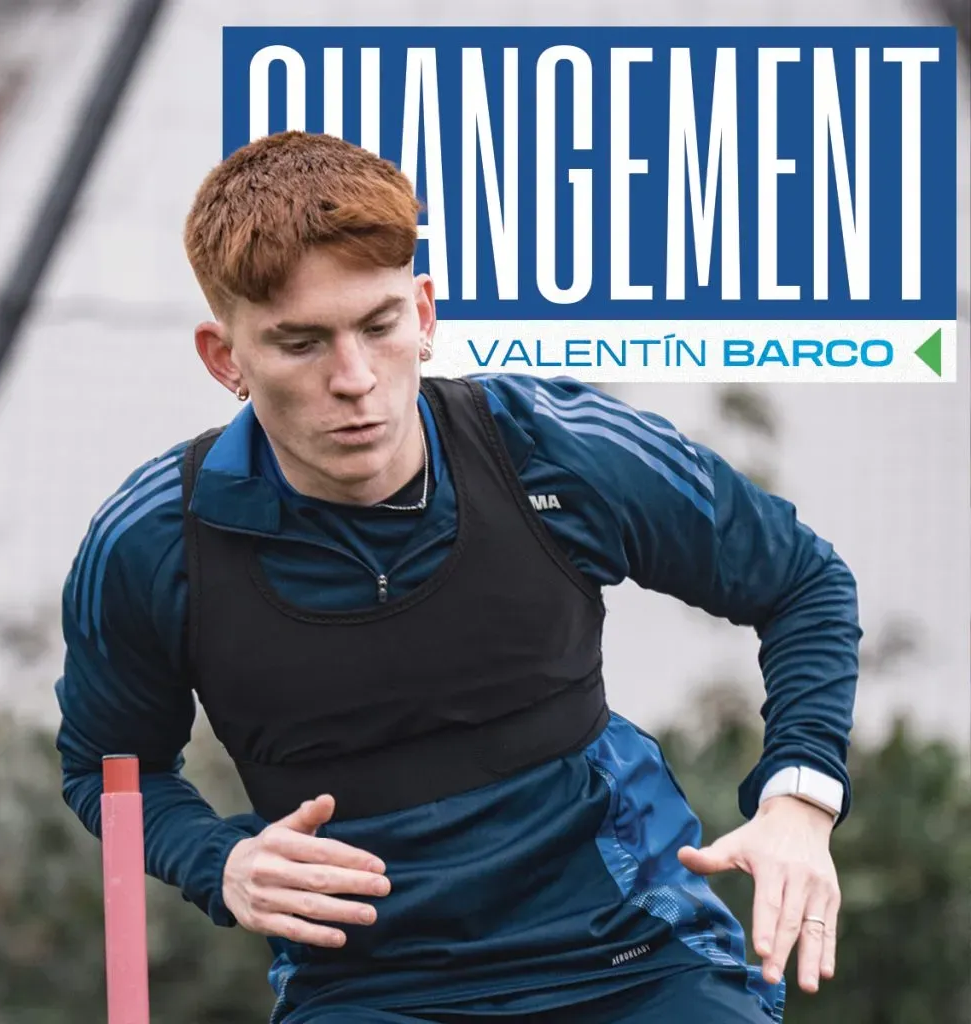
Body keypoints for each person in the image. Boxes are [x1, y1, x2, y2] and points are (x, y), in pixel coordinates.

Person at [54, 130, 861, 1024]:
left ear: (425, 314)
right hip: (369, 994)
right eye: (301, 343)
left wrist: (801, 798)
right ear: (225, 358)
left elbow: (803, 583)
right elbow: (109, 769)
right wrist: (221, 861)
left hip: (641, 963)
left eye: (379, 326)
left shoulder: (551, 449)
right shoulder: (155, 542)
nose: (355, 379)